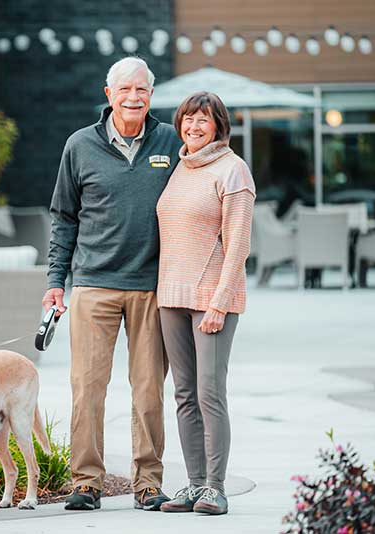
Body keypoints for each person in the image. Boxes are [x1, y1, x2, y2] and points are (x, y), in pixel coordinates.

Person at [43, 56, 182, 512]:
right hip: (93, 285)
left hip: (151, 286)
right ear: (109, 95)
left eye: (141, 89)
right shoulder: (79, 145)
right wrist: (55, 281)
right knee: (87, 387)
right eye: (125, 89)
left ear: (151, 95)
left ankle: (147, 483)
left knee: (147, 390)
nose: (133, 97)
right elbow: (63, 218)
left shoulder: (170, 140)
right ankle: (86, 481)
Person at [156, 92, 255, 516]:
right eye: (188, 119)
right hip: (171, 296)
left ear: (219, 126)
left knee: (209, 392)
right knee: (183, 393)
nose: (194, 126)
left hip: (212, 298)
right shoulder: (180, 167)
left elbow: (238, 245)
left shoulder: (234, 171)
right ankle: (195, 484)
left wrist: (218, 302)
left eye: (204, 120)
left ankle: (216, 487)